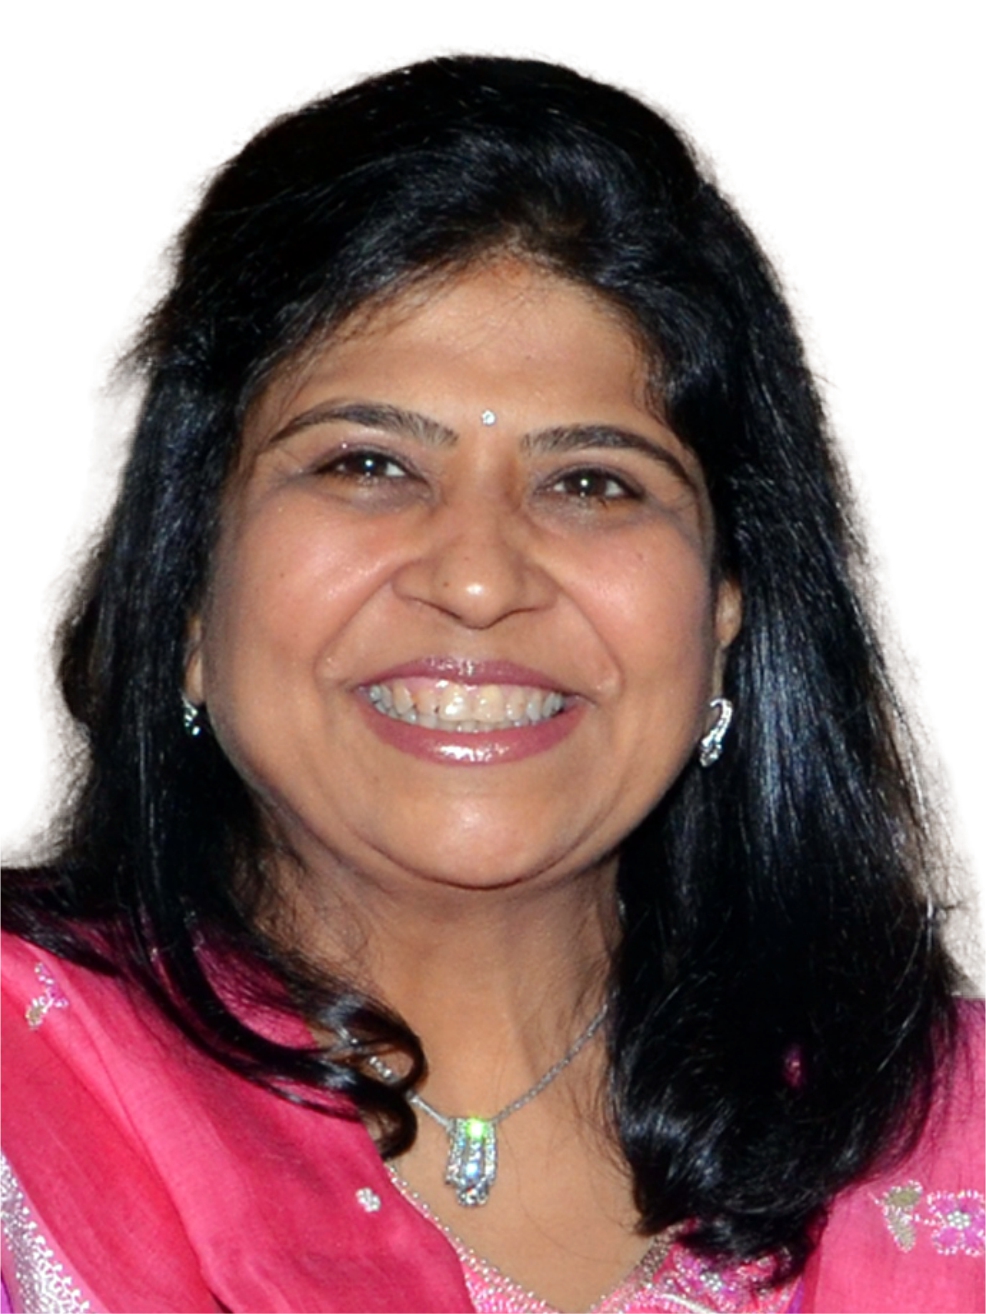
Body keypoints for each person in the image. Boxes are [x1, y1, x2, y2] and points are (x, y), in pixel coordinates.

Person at [1, 54, 982, 1314]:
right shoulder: (29, 1103)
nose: (476, 579)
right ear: (189, 586)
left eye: (591, 482)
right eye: (366, 465)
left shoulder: (940, 1152)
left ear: (724, 611)